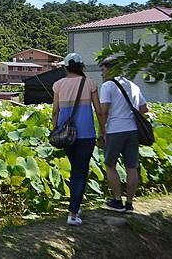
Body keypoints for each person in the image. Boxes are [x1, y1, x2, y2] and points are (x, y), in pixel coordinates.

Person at [52, 53, 105, 226]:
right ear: (82, 66)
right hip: (86, 134)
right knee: (80, 171)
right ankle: (73, 213)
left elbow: (55, 111)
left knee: (76, 169)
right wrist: (103, 131)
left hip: (66, 135)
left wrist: (54, 129)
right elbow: (99, 110)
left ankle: (75, 205)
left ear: (66, 67)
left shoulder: (58, 85)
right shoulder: (90, 83)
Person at [99, 55, 149, 214]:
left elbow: (104, 111)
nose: (102, 73)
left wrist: (102, 132)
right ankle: (129, 204)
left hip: (115, 130)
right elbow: (144, 109)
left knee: (110, 165)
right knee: (131, 167)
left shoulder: (108, 86)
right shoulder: (133, 86)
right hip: (133, 131)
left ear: (108, 68)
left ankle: (117, 200)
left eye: (103, 69)